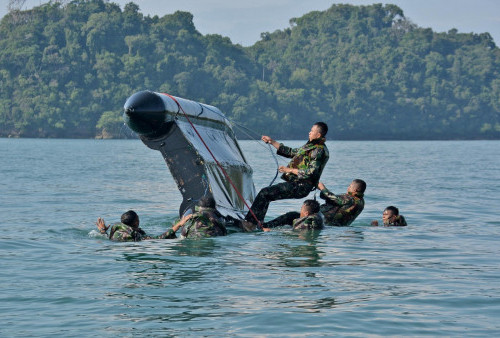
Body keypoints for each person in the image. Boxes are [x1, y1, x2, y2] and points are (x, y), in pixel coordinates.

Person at [245, 122, 329, 224]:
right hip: (297, 184)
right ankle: (257, 223)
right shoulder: (310, 146)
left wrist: (289, 170)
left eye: (312, 131)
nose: (309, 132)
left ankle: (250, 223)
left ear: (318, 135)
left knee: (265, 193)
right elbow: (291, 152)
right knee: (266, 194)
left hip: (301, 186)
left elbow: (310, 173)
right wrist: (271, 141)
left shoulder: (319, 150)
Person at [96, 210, 192, 241]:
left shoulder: (116, 231)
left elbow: (108, 238)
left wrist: (103, 231)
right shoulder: (134, 234)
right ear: (135, 223)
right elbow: (158, 238)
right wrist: (178, 225)